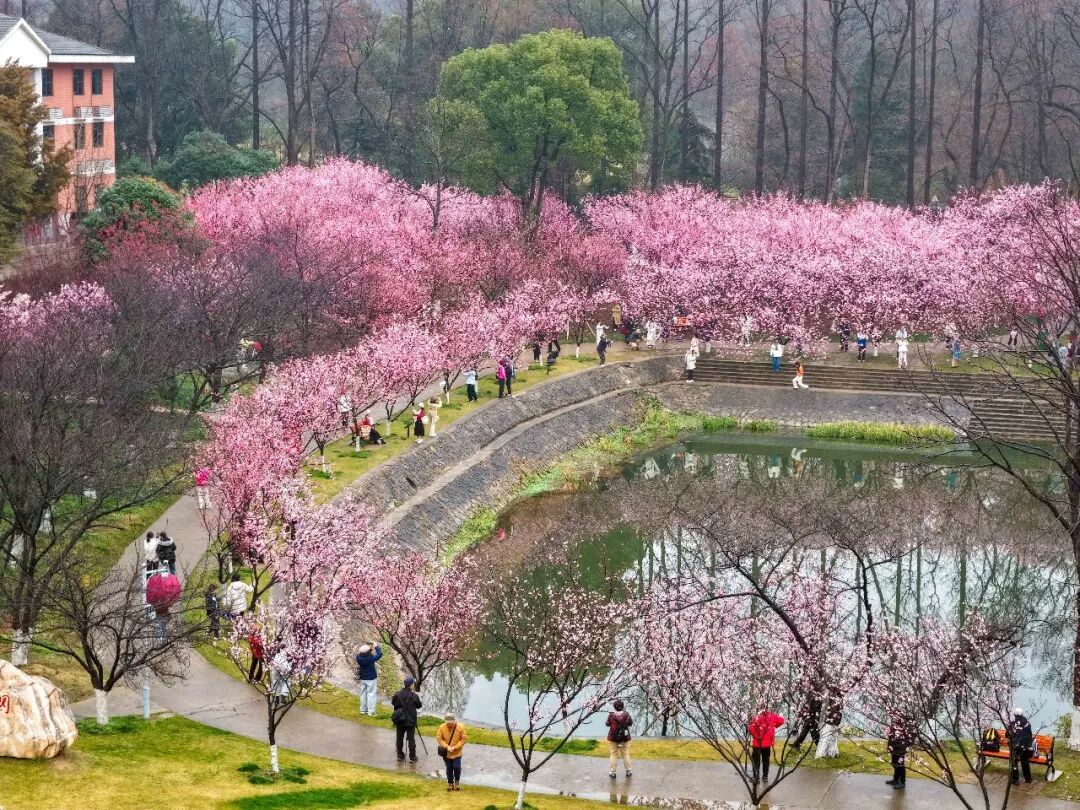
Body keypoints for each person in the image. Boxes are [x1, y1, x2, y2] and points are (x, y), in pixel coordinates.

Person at [748, 708, 785, 783]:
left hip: (757, 743)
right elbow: (781, 720)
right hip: (767, 744)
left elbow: (751, 730)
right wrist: (775, 725)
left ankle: (756, 778)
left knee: (756, 761)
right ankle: (765, 777)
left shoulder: (756, 717)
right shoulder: (772, 715)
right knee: (766, 760)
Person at [391, 677, 423, 762]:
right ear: (411, 685)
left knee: (399, 738)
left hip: (400, 720)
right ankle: (412, 757)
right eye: (413, 684)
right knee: (411, 738)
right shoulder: (414, 696)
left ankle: (400, 755)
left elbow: (393, 703)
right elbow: (419, 705)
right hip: (410, 721)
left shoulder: (397, 694)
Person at [436, 712, 467, 791]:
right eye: (447, 722)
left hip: (457, 753)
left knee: (457, 767)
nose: (449, 724)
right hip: (447, 753)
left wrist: (455, 747)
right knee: (449, 768)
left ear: (454, 720)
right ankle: (450, 783)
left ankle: (457, 782)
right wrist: (447, 747)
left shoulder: (461, 727)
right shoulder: (442, 727)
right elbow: (439, 738)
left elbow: (463, 739)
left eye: (450, 723)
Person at [605, 699, 633, 779]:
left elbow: (607, 724)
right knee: (625, 754)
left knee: (613, 754)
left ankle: (613, 772)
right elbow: (630, 723)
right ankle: (628, 771)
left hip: (613, 737)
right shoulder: (626, 715)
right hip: (624, 737)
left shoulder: (611, 715)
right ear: (622, 707)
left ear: (614, 707)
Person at [1008, 707, 1034, 785]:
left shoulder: (1012, 723)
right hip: (1024, 746)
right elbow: (1029, 735)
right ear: (1022, 714)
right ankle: (1028, 778)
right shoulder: (1027, 723)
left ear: (1015, 715)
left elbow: (1007, 735)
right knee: (1025, 762)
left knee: (1014, 762)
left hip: (1014, 746)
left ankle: (1015, 780)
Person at [355, 643, 382, 717]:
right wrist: (376, 646)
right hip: (371, 679)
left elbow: (364, 653)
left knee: (363, 694)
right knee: (371, 695)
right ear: (368, 652)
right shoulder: (369, 659)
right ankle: (371, 712)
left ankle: (363, 710)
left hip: (363, 678)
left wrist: (368, 648)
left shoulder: (358, 657)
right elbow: (379, 654)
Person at [885, 716, 912, 790]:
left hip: (901, 747)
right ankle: (896, 779)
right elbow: (891, 735)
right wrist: (889, 746)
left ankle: (902, 782)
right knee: (894, 763)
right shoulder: (894, 722)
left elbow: (910, 736)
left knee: (900, 764)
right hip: (894, 746)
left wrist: (906, 745)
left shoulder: (905, 723)